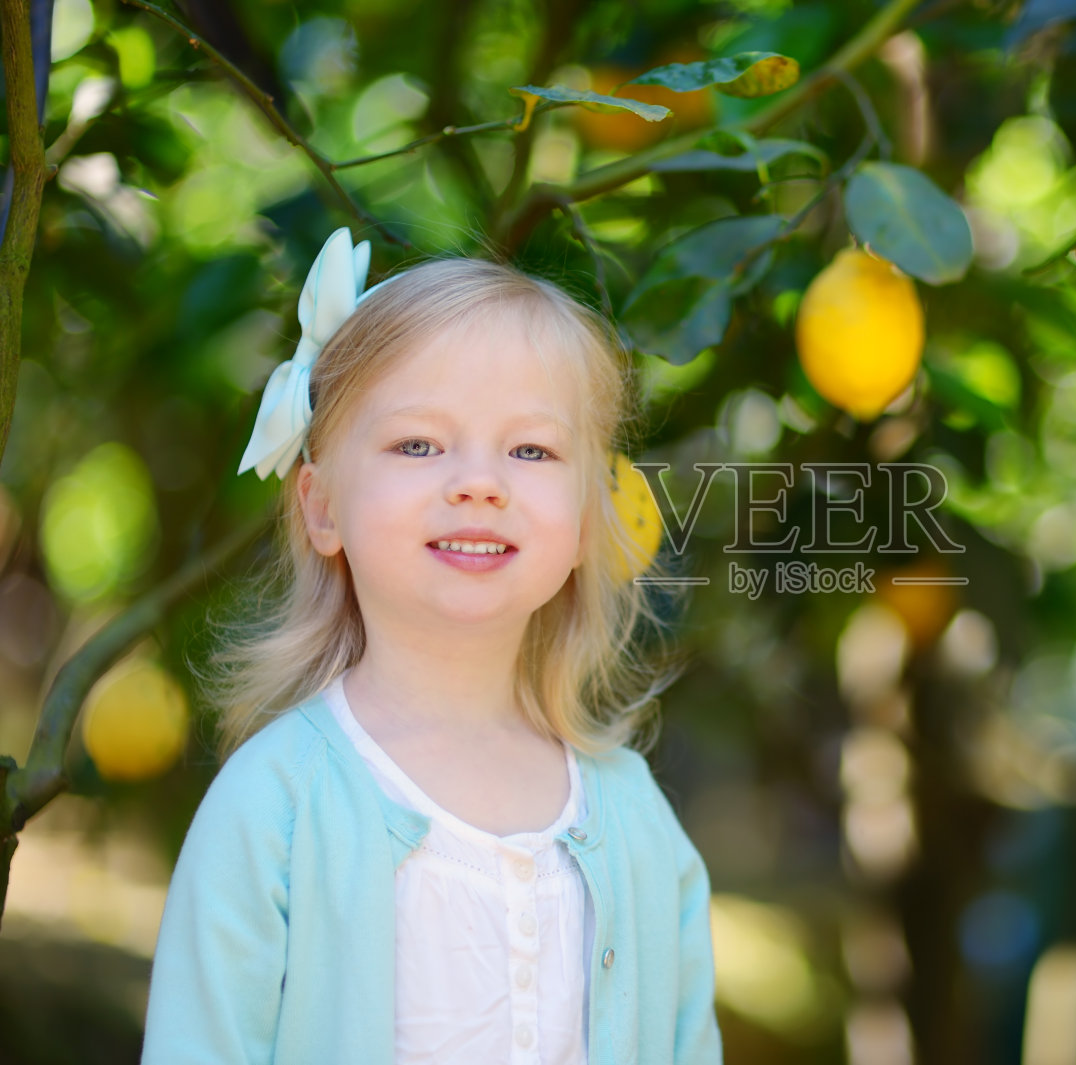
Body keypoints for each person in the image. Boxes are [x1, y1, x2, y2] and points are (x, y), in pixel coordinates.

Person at [140, 228, 720, 1065]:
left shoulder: (637, 823)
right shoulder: (273, 809)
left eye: (531, 449)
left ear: (590, 519)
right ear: (322, 506)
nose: (479, 481)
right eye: (418, 444)